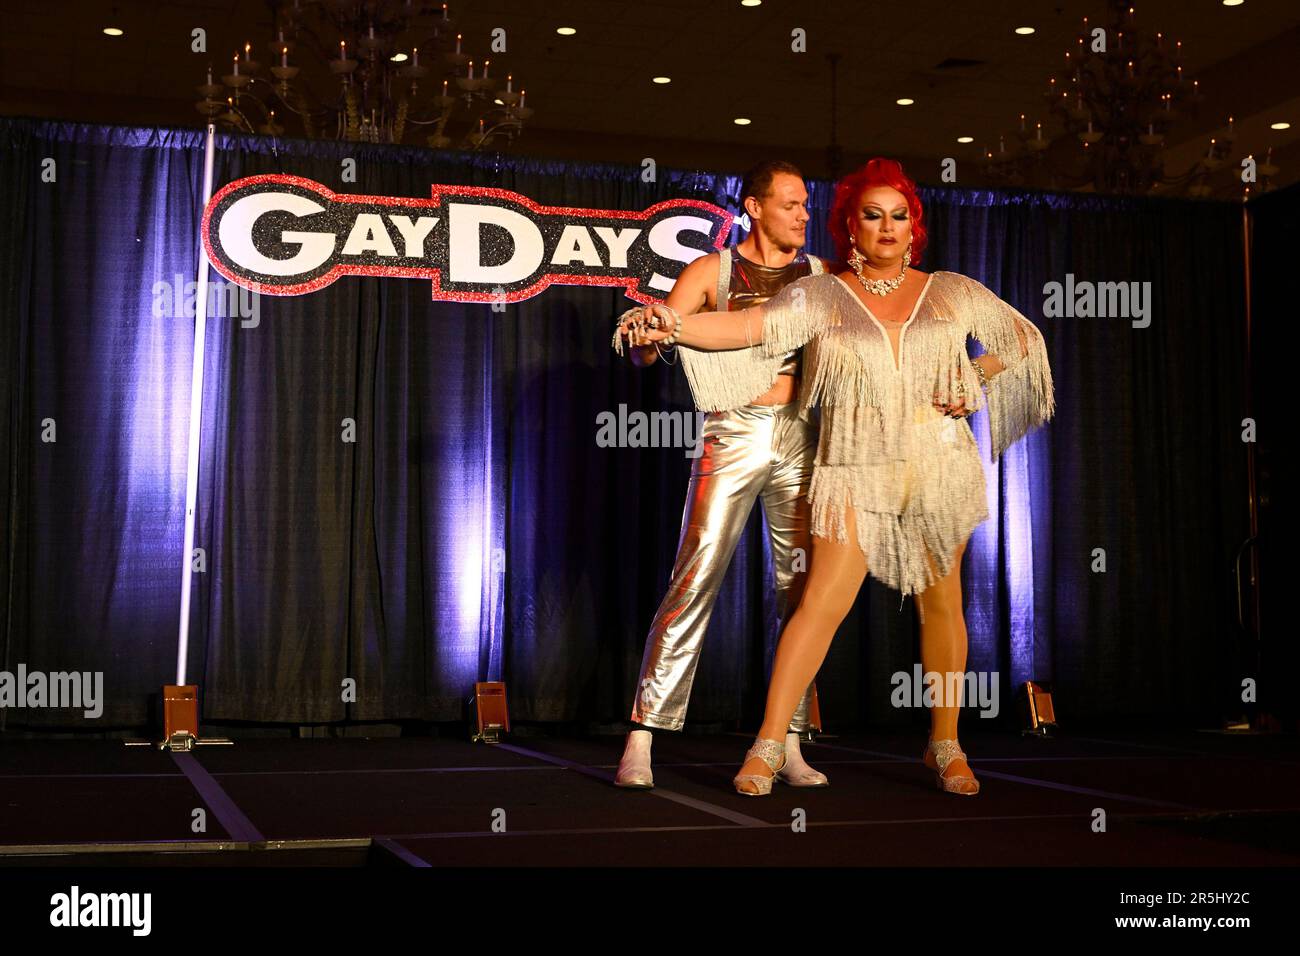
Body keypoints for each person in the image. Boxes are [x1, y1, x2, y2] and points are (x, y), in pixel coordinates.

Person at [619, 158, 1054, 796]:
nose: (887, 227)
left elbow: (1019, 338)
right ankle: (751, 743)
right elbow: (746, 326)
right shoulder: (823, 293)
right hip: (843, 458)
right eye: (872, 215)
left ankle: (944, 745)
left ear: (915, 226)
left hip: (932, 462)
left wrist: (973, 380)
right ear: (850, 226)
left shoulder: (951, 289)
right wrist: (672, 323)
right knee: (808, 599)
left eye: (899, 215)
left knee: (939, 605)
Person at [609, 160, 830, 790]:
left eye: (806, 204)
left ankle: (787, 741)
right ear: (754, 208)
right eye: (790, 203)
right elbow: (650, 349)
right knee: (695, 576)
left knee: (804, 590)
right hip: (733, 430)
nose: (803, 214)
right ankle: (643, 735)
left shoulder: (818, 276)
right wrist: (643, 330)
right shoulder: (712, 271)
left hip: (804, 434)